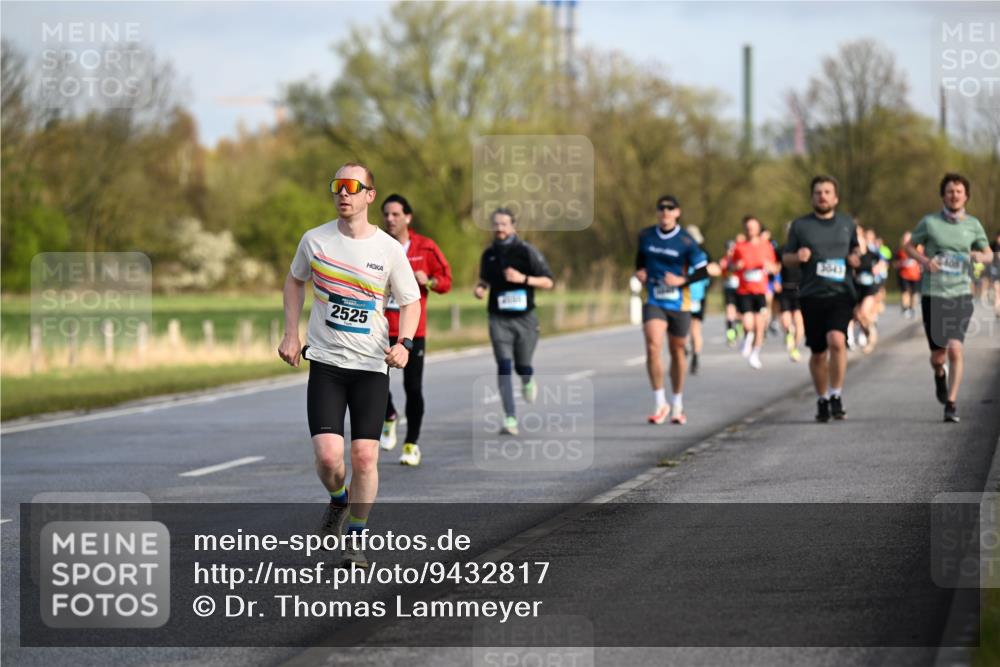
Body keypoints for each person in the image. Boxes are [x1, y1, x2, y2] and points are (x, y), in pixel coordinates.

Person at [279, 163, 421, 568]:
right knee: (329, 458)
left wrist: (405, 343)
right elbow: (295, 281)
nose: (343, 193)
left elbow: (411, 301)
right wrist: (291, 334)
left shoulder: (388, 249)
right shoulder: (315, 240)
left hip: (371, 366)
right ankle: (338, 500)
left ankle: (356, 536)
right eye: (338, 186)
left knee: (364, 457)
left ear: (369, 195)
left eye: (352, 187)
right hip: (326, 362)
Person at [904, 173, 993, 423]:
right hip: (933, 294)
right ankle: (939, 374)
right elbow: (909, 246)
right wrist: (924, 261)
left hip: (961, 293)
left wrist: (980, 256)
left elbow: (988, 253)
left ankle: (951, 403)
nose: (954, 195)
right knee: (938, 357)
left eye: (959, 191)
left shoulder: (973, 225)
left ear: (966, 196)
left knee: (955, 348)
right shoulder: (929, 223)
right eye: (950, 191)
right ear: (943, 195)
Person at [379, 194, 452, 466]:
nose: (390, 219)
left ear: (408, 217)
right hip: (380, 327)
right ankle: (389, 416)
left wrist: (429, 281)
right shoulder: (376, 245)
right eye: (386, 214)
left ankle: (411, 444)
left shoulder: (425, 247)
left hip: (412, 331)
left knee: (412, 387)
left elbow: (446, 281)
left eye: (396, 214)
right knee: (374, 383)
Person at [783, 175, 861, 422]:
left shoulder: (847, 223)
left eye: (827, 192)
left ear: (835, 198)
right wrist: (798, 257)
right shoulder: (800, 226)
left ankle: (836, 394)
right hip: (812, 294)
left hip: (841, 292)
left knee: (837, 341)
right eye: (818, 192)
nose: (822, 196)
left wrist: (855, 258)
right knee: (818, 352)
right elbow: (785, 258)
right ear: (812, 197)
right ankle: (822, 398)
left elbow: (856, 249)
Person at [474, 208, 555, 435]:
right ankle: (510, 418)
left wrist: (523, 279)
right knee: (504, 366)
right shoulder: (488, 254)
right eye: (496, 224)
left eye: (504, 224)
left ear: (513, 227)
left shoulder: (526, 251)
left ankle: (527, 378)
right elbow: (485, 279)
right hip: (498, 318)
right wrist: (480, 288)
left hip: (525, 319)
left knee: (522, 365)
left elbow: (548, 281)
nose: (499, 228)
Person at [635, 195, 709, 424]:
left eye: (670, 208)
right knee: (652, 345)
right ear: (657, 212)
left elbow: (703, 270)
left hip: (679, 301)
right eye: (661, 208)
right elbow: (640, 261)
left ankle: (677, 403)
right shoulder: (646, 236)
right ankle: (660, 402)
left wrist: (682, 280)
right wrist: (640, 272)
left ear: (677, 212)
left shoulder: (686, 241)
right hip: (654, 298)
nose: (665, 212)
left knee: (677, 349)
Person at [729, 216, 778, 370]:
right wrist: (736, 266)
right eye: (748, 227)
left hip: (760, 291)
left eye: (753, 226)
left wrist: (770, 268)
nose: (750, 229)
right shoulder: (739, 246)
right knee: (748, 323)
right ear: (745, 228)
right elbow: (730, 266)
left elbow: (775, 267)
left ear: (758, 228)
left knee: (760, 325)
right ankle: (747, 337)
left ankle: (755, 354)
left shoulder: (766, 246)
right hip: (744, 290)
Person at [683, 225, 720, 375]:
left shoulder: (681, 252)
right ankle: (695, 356)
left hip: (686, 294)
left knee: (685, 327)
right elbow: (714, 272)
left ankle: (687, 349)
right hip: (697, 294)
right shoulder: (704, 254)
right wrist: (707, 287)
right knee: (695, 328)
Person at [851, 225, 885, 354]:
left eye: (861, 239)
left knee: (864, 312)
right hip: (858, 287)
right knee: (858, 315)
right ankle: (869, 332)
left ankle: (871, 336)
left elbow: (882, 262)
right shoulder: (853, 256)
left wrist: (878, 267)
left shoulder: (872, 253)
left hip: (871, 287)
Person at [778, 222, 805, 362]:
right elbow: (776, 267)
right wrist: (775, 281)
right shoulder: (781, 250)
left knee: (799, 322)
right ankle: (789, 333)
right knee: (785, 321)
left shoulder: (803, 251)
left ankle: (794, 347)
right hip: (785, 289)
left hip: (800, 290)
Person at [895, 230, 922, 318]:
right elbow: (895, 263)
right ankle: (905, 309)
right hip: (904, 274)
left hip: (915, 275)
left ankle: (912, 308)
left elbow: (923, 259)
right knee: (905, 292)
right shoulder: (900, 250)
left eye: (909, 238)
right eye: (905, 238)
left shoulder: (918, 248)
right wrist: (901, 263)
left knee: (914, 293)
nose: (907, 240)